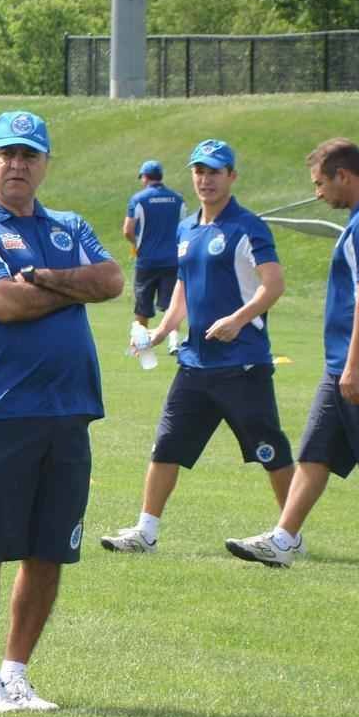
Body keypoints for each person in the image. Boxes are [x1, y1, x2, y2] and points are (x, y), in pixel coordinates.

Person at [0, 111, 123, 712]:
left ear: (45, 163)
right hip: (0, 412)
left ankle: (16, 673)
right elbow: (4, 303)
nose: (18, 165)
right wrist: (73, 287)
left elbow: (112, 280)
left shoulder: (69, 225)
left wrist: (44, 278)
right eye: (8, 154)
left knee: (50, 550)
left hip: (69, 410)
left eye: (29, 155)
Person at [226, 139, 359, 572]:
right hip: (344, 363)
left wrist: (355, 364)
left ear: (344, 175)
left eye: (321, 183)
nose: (318, 193)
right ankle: (283, 540)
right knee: (315, 451)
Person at [101, 139, 294, 555]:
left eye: (214, 172)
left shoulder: (248, 226)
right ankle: (145, 532)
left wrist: (237, 319)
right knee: (166, 445)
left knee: (270, 450)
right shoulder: (186, 228)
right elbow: (183, 290)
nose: (206, 180)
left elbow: (274, 284)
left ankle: (290, 534)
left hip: (243, 364)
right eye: (199, 171)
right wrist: (159, 332)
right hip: (195, 364)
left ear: (232, 176)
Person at [124, 159, 188, 355]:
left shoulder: (138, 199)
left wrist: (137, 245)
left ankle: (140, 345)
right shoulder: (177, 199)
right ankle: (174, 343)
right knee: (172, 304)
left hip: (147, 261)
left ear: (145, 177)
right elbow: (184, 228)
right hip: (172, 260)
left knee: (142, 306)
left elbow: (127, 230)